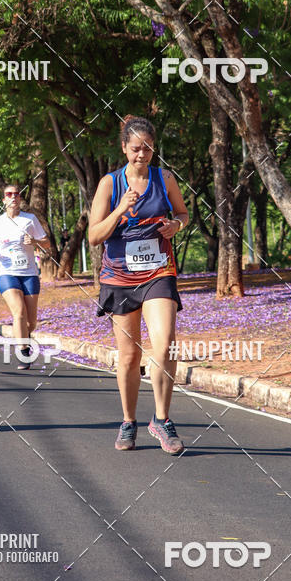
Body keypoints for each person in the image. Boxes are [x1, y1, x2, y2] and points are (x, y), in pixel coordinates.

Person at [88, 116, 189, 454]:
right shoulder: (109, 184)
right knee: (130, 356)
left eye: (147, 148)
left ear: (153, 148)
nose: (141, 154)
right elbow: (94, 236)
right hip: (119, 277)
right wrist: (120, 209)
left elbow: (183, 214)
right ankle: (128, 421)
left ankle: (161, 419)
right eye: (135, 148)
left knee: (165, 344)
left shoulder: (165, 178)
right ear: (124, 148)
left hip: (158, 272)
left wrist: (176, 225)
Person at [0, 184, 50, 371]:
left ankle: (22, 336)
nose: (13, 197)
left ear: (20, 198)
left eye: (16, 194)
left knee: (31, 322)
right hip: (6, 272)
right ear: (4, 200)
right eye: (9, 194)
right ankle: (23, 351)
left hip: (29, 273)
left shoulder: (30, 219)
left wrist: (35, 241)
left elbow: (47, 244)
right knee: (19, 311)